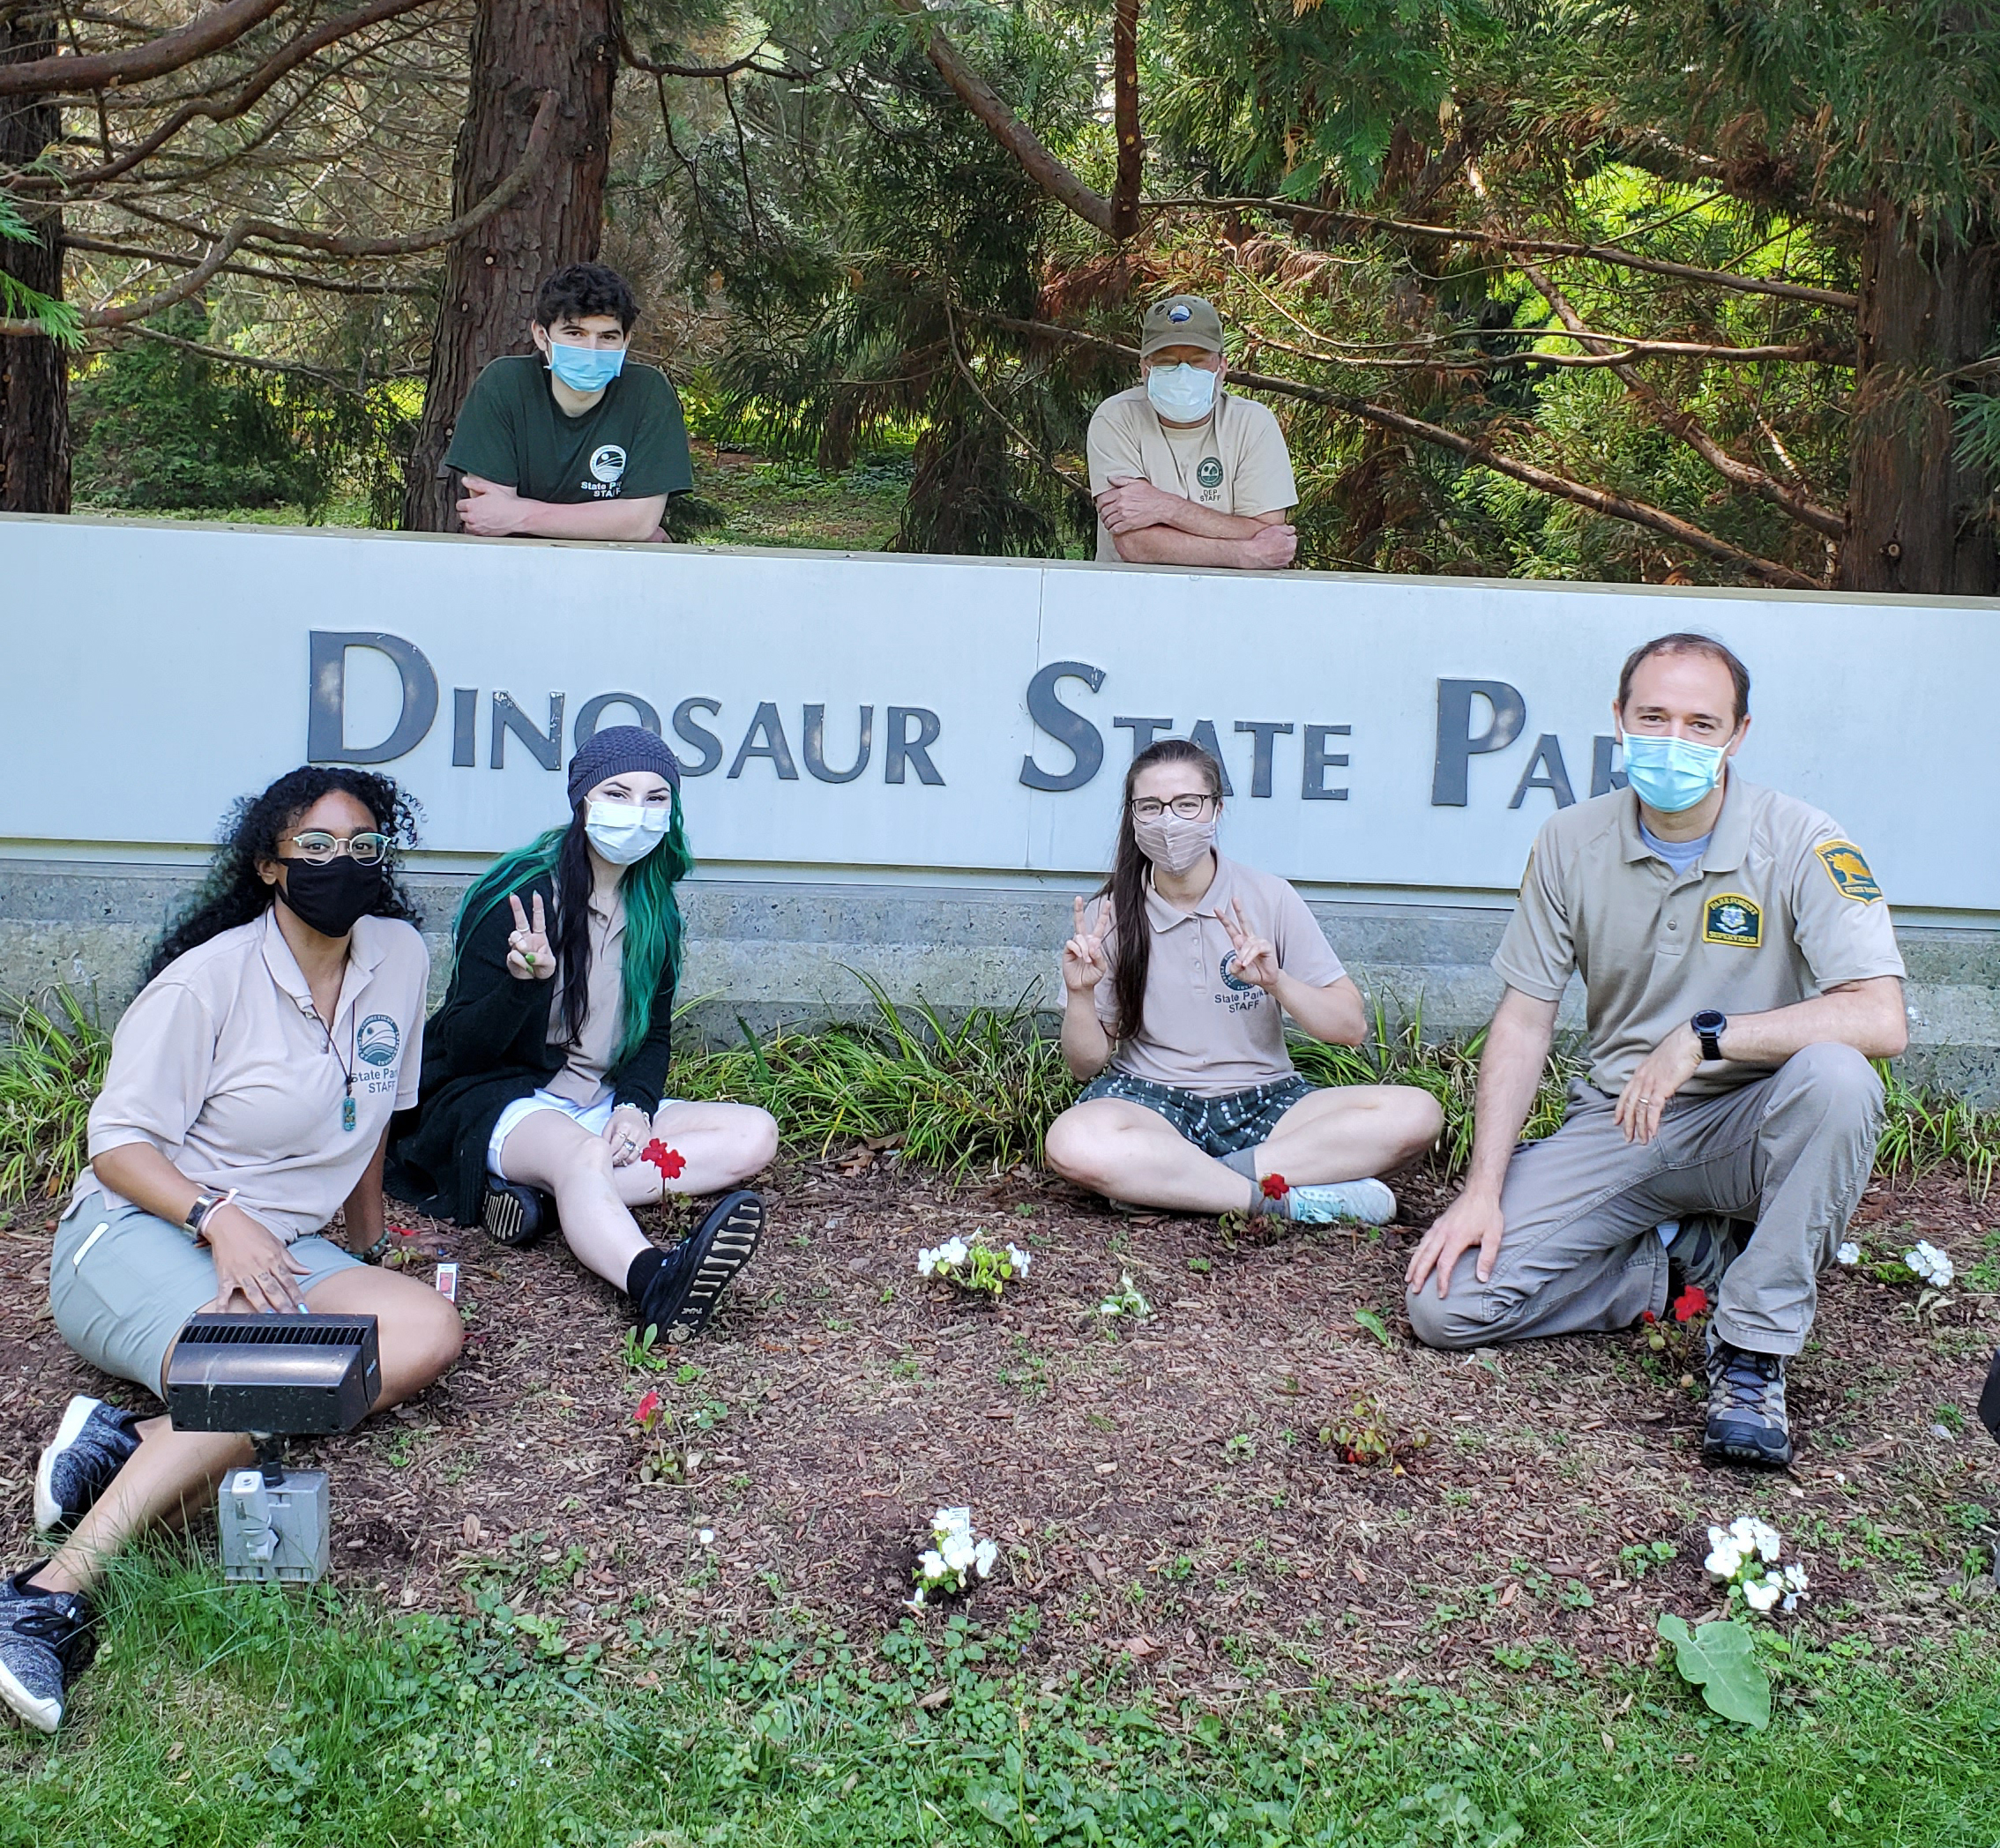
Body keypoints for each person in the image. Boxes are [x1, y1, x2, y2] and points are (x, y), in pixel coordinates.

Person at [2, 769, 463, 1732]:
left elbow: (370, 1110)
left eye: (365, 846)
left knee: (424, 1330)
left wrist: (369, 1240)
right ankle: (45, 1595)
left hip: (284, 1246)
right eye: (318, 848)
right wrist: (218, 1213)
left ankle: (117, 1445)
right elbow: (117, 1146)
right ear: (269, 865)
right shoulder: (206, 981)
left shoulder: (399, 956)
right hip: (137, 1230)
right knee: (263, 1369)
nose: (344, 865)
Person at [1404, 634, 1907, 1469]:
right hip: (1623, 1122)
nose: (1675, 740)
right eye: (1655, 717)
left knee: (1840, 1077)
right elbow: (1525, 1018)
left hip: (1756, 1119)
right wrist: (1481, 1190)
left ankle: (1751, 1349)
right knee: (1447, 1307)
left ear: (1737, 735)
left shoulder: (1804, 841)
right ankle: (1681, 1262)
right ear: (1619, 721)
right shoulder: (1570, 840)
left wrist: (1709, 1037)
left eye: (1701, 723)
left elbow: (1881, 1018)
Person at [387, 726, 775, 1347]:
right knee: (580, 1155)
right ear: (582, 800)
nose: (638, 813)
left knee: (752, 1135)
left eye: (656, 799)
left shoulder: (656, 909)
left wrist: (634, 1107)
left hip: (596, 1103)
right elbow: (464, 1052)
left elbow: (652, 1038)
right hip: (503, 1101)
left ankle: (542, 1203)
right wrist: (521, 982)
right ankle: (653, 1279)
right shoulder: (518, 895)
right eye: (618, 794)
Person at [1043, 738, 1443, 1222]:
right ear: (1131, 816)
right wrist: (1083, 993)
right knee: (1072, 1142)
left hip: (1268, 1104)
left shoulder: (1269, 898)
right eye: (1150, 807)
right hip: (1149, 1101)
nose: (1169, 821)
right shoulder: (1111, 915)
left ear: (1216, 809)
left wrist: (1277, 983)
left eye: (1187, 804)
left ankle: (1178, 1183)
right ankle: (1274, 1202)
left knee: (1416, 1113)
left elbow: (1349, 1028)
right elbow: (1086, 1066)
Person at [444, 262, 693, 543]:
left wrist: (520, 514)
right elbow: (490, 516)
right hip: (515, 563)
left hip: (618, 566)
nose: (592, 350)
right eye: (575, 333)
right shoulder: (503, 384)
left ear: (626, 341)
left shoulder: (648, 391)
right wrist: (613, 521)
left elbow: (638, 523)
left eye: (607, 337)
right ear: (541, 335)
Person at [1086, 294, 1299, 570]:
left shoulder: (1253, 423)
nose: (1183, 372)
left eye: (1198, 361)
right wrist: (1244, 554)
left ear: (1222, 367)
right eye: (1167, 361)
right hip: (1133, 598)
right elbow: (1134, 544)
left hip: (1233, 601)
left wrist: (1163, 507)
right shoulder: (1116, 418)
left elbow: (1268, 533)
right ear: (1144, 368)